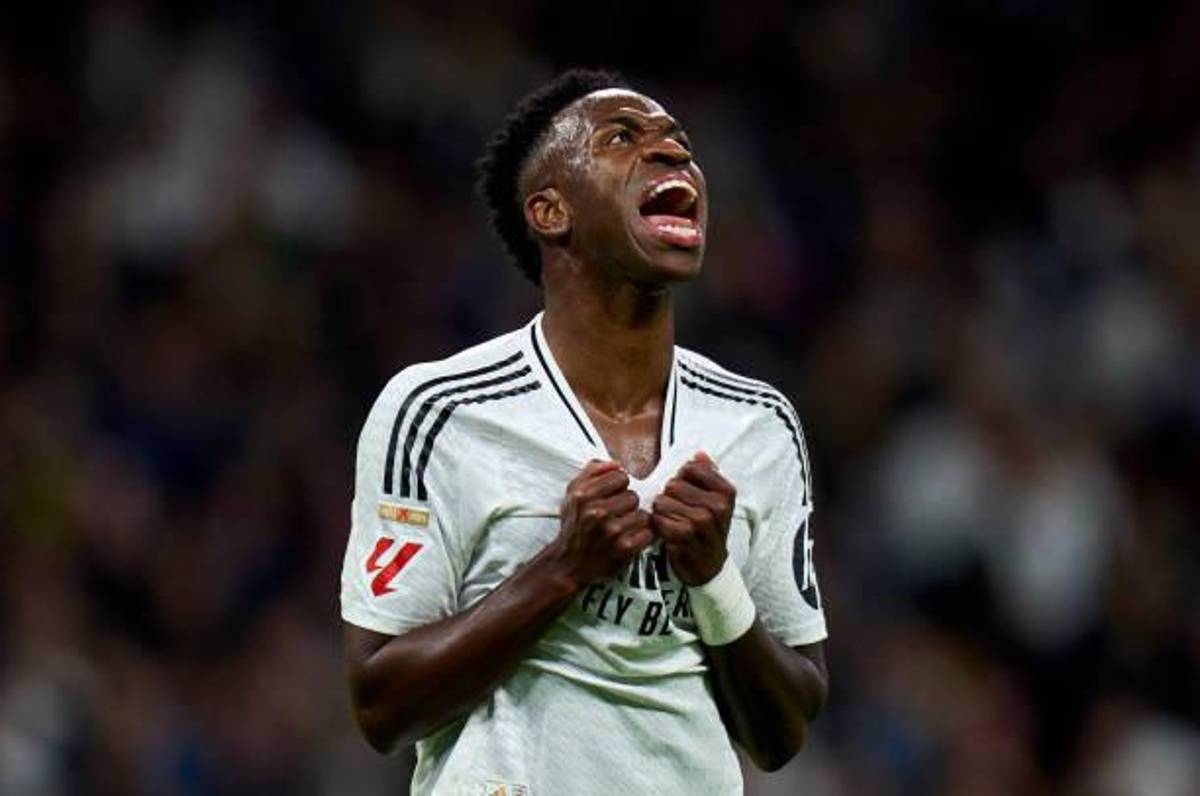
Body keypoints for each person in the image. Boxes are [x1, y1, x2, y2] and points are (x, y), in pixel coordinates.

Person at [340, 69, 828, 795]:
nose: (672, 152)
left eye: (679, 142)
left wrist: (714, 577)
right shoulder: (439, 410)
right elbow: (381, 706)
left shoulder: (758, 424)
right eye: (622, 138)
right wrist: (563, 569)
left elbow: (782, 733)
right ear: (549, 211)